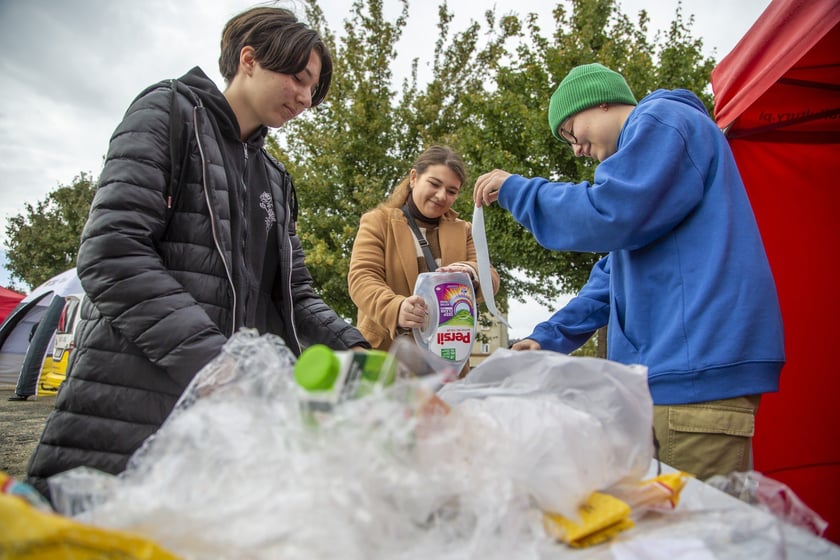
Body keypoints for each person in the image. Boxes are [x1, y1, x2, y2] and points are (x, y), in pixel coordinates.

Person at [26, 6, 369, 501]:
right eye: (298, 78)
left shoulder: (274, 179)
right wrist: (213, 361)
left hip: (220, 427)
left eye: (313, 89)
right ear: (248, 59)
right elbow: (111, 252)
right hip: (130, 405)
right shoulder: (169, 110)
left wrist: (352, 347)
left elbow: (294, 295)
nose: (305, 98)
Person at [473, 63, 785, 480]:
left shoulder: (663, 121)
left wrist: (519, 190)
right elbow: (611, 275)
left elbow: (609, 212)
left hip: (692, 375)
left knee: (689, 541)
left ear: (598, 100)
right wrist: (547, 337)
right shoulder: (654, 182)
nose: (576, 150)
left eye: (570, 132)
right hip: (670, 378)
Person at [348, 146, 500, 372]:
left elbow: (491, 278)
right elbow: (362, 278)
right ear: (413, 178)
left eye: (451, 191)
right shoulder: (377, 221)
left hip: (447, 364)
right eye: (434, 184)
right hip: (386, 361)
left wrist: (471, 272)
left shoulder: (465, 230)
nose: (441, 196)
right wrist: (396, 308)